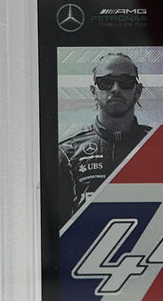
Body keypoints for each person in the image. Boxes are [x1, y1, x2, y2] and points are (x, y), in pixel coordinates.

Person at [58, 52, 151, 220]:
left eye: (125, 82)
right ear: (93, 91)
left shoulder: (159, 145)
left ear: (138, 91)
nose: (116, 89)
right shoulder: (67, 152)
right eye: (106, 82)